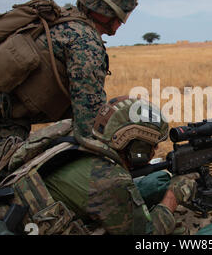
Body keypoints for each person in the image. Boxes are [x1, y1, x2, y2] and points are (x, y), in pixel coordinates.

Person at [0, 0, 138, 175]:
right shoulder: (85, 42)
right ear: (104, 10)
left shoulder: (68, 19)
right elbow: (88, 126)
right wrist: (121, 162)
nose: (122, 22)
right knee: (5, 186)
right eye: (122, 15)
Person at [41, 96, 199, 235]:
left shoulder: (79, 140)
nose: (155, 150)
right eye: (151, 145)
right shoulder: (110, 179)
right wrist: (173, 196)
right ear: (134, 146)